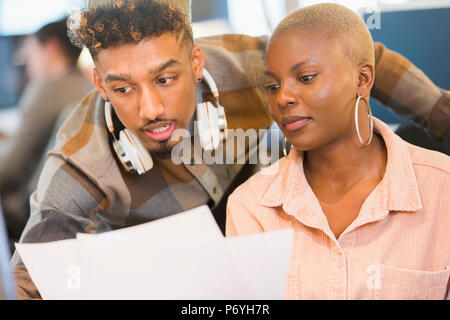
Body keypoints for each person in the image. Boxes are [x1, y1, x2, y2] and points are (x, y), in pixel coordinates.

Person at [12, 0, 450, 299]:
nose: (150, 109)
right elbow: (32, 275)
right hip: (174, 276)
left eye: (166, 79)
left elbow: (356, 55)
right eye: (123, 88)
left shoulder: (248, 67)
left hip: (263, 235)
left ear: (196, 63)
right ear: (99, 84)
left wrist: (441, 117)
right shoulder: (77, 161)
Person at [226, 3, 449, 300]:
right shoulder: (251, 207)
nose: (282, 98)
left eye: (305, 77)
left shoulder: (442, 189)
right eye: (271, 85)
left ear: (363, 79)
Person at [0, 19, 93, 244]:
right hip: (69, 212)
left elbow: (7, 172)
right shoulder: (86, 85)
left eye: (31, 55)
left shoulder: (47, 87)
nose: (28, 66)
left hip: (24, 213)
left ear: (51, 48)